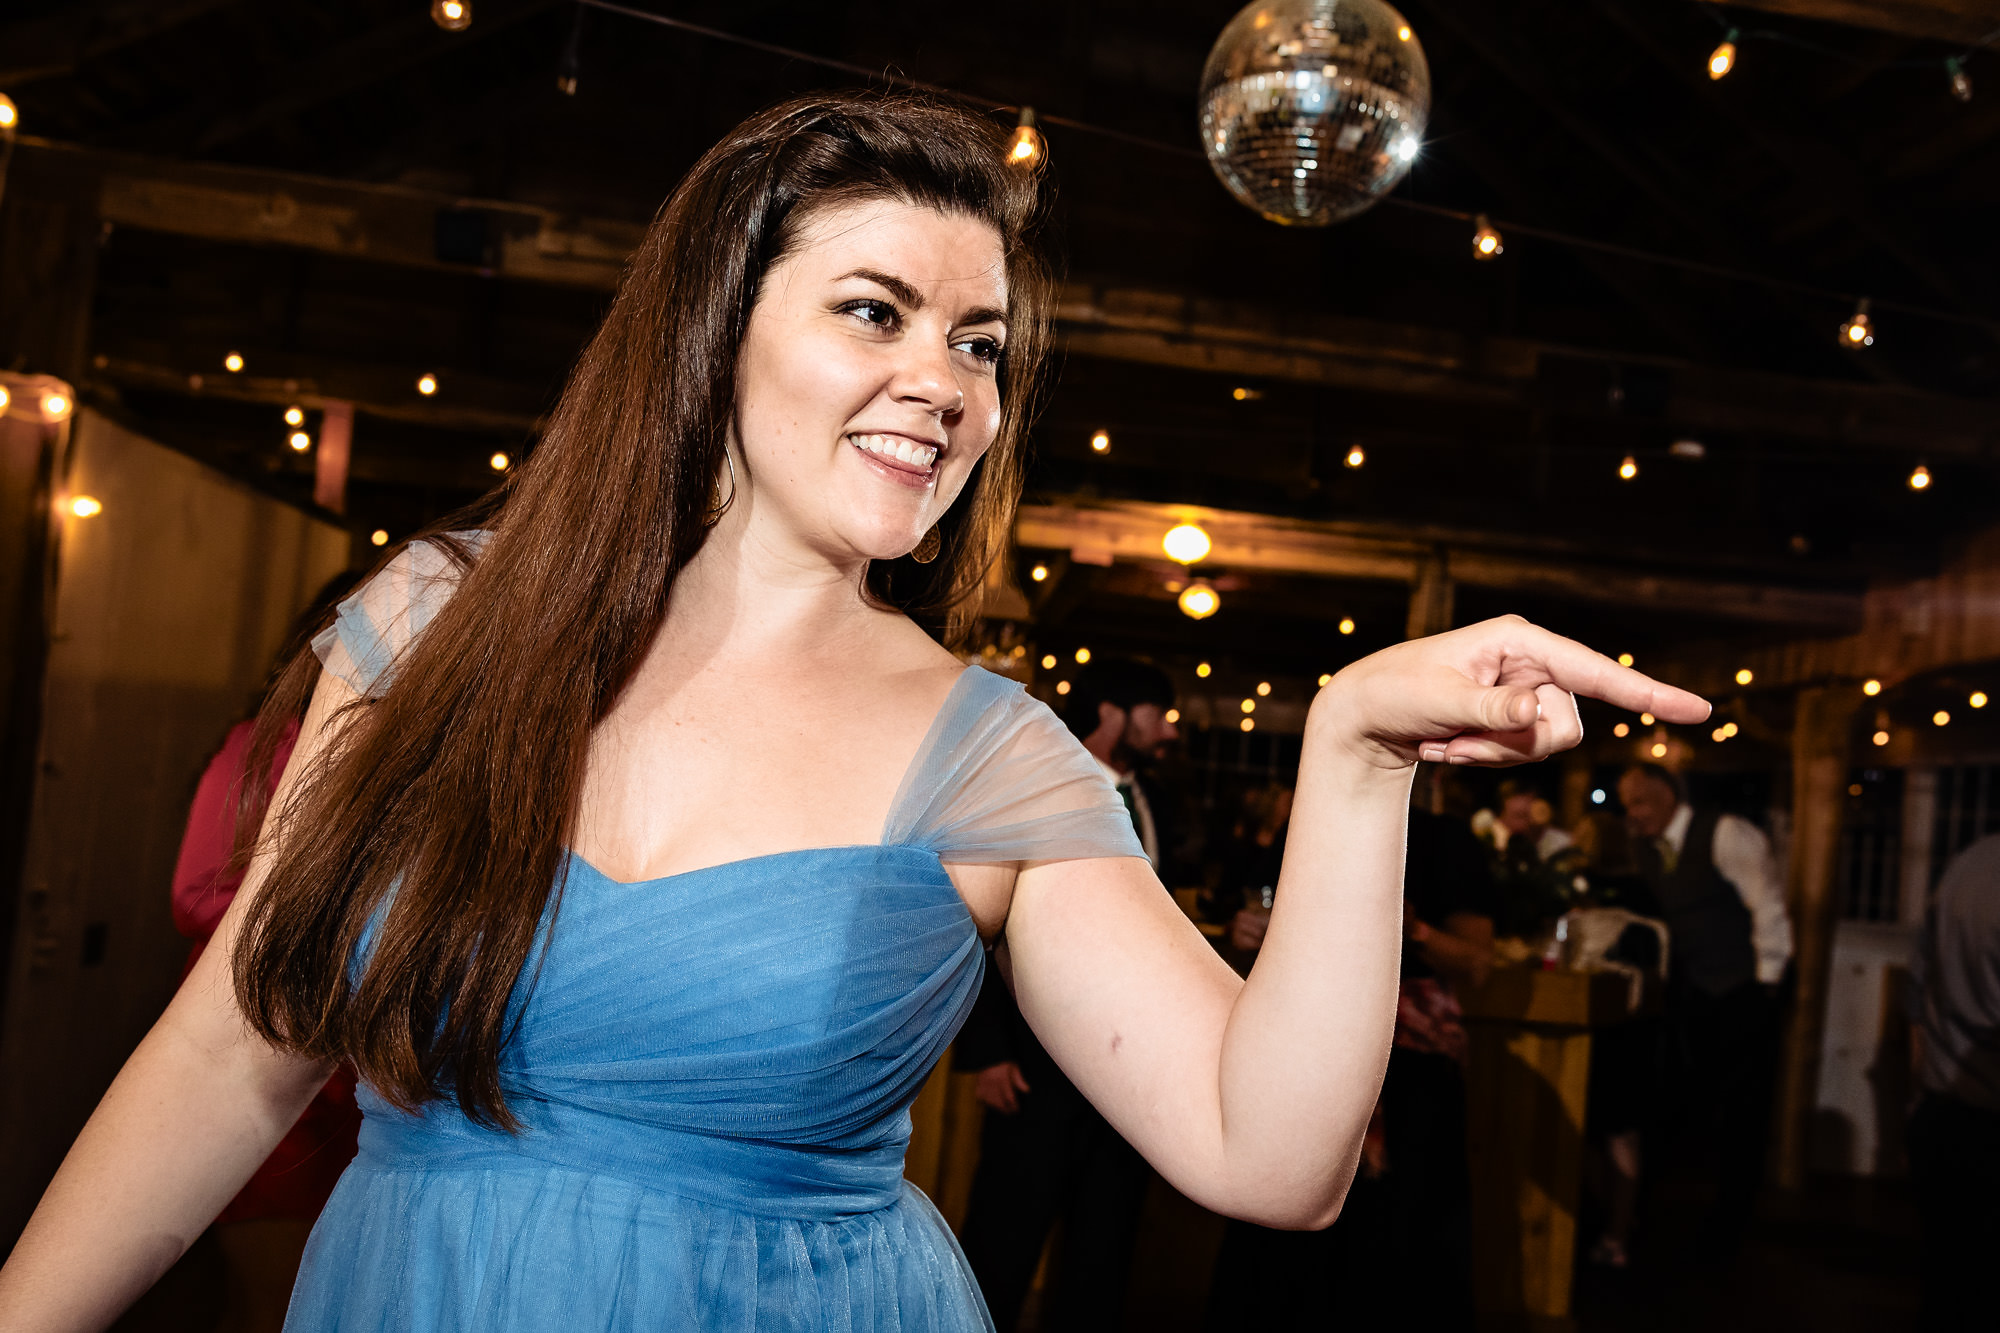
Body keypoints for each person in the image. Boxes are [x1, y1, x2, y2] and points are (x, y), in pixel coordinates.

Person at [0, 90, 1706, 1332]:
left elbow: (1272, 1155)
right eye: (878, 313)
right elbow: (235, 1041)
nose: (946, 384)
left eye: (983, 343)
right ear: (714, 327)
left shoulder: (991, 753)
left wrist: (1354, 753)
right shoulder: (437, 623)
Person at [1205, 803, 1495, 1331]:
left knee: (1399, 1246)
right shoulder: (1308, 823)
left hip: (1411, 1081)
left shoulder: (1446, 839)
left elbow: (1477, 961)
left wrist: (1416, 929)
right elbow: (1261, 927)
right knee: (1286, 1241)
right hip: (1305, 1058)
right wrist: (1247, 933)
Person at [954, 658, 1177, 1331]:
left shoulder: (1155, 804)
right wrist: (987, 1050)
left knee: (1101, 1254)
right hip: (1034, 1066)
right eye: (1156, 711)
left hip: (1127, 1077)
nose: (1168, 728)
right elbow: (984, 921)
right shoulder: (1044, 782)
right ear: (1112, 713)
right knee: (1002, 1243)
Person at [169, 572, 364, 1333]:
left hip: (333, 1083)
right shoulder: (264, 745)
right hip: (258, 1057)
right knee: (267, 1298)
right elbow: (197, 891)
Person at [1615, 763, 1792, 1258]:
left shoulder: (1727, 833)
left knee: (1744, 1114)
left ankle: (1731, 1227)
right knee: (1683, 1103)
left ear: (1667, 797)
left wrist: (1766, 986)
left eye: (1639, 803)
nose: (1633, 815)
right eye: (1627, 805)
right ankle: (1670, 1221)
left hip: (1746, 989)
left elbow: (1768, 907)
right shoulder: (1647, 849)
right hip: (1695, 991)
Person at [1906, 831, 2000, 1332]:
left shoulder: (1968, 862)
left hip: (1944, 1115)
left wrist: (1918, 1095)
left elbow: (1918, 991)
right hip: (1987, 1119)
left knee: (1945, 1286)